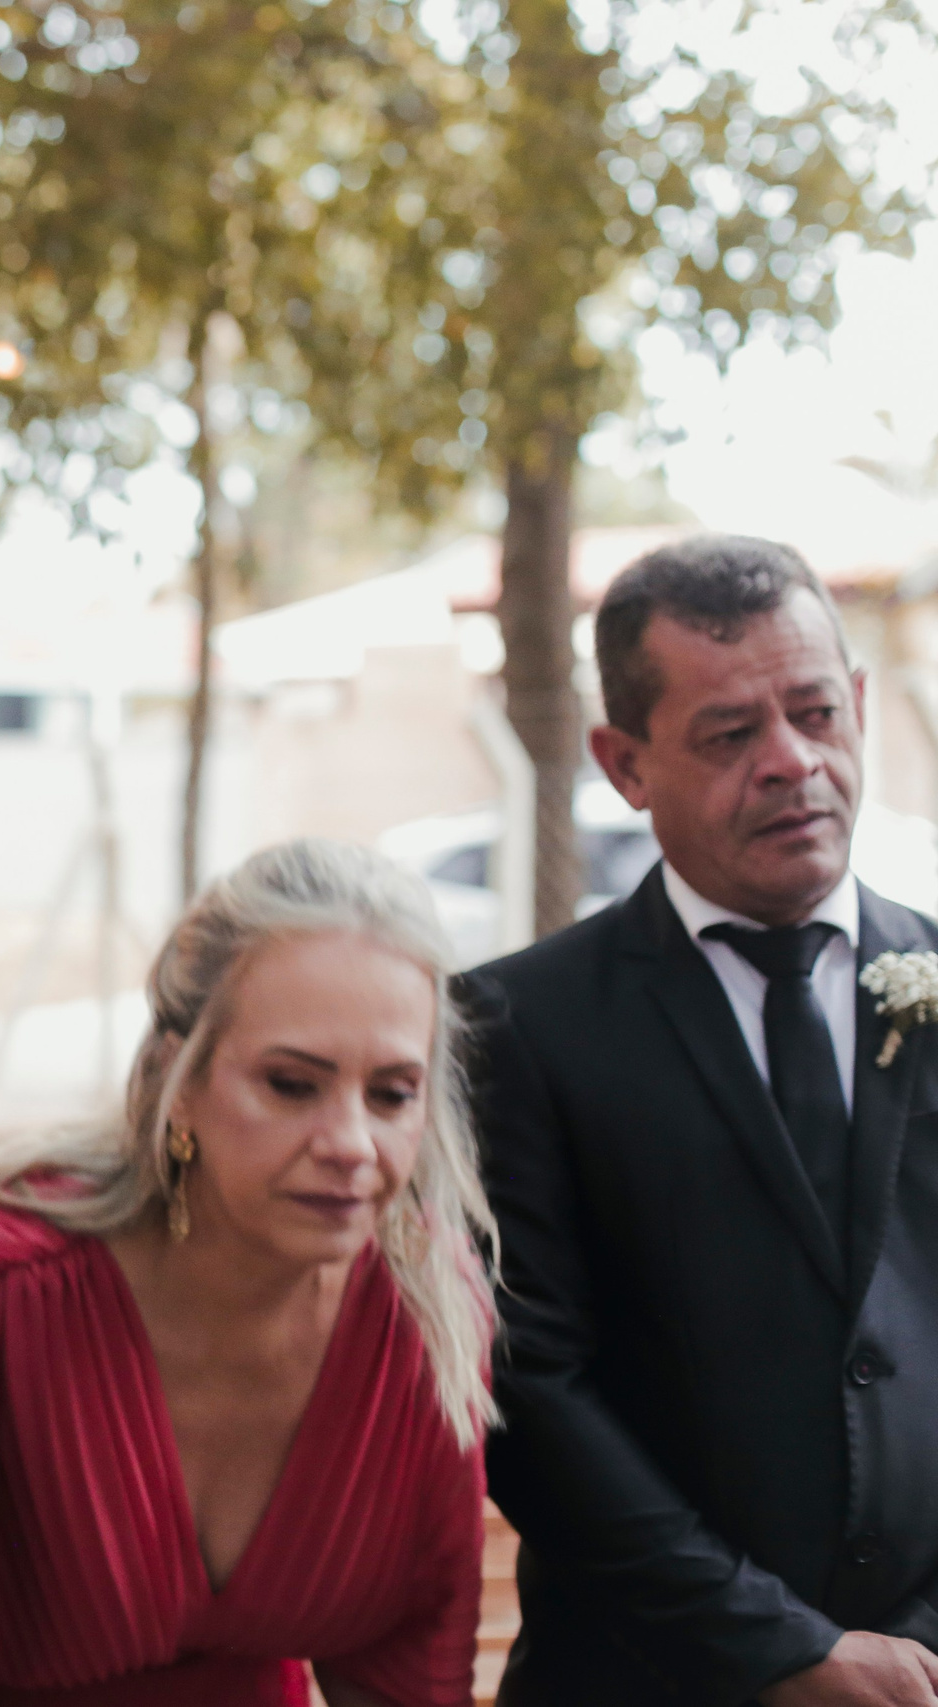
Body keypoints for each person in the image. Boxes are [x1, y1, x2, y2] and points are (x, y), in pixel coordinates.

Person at [469, 536, 938, 1705]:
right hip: (645, 1677)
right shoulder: (512, 1027)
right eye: (731, 735)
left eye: (815, 712)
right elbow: (533, 1395)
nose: (791, 762)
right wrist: (780, 1650)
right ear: (623, 764)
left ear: (861, 706)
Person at [0, 839, 497, 1706]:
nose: (352, 1145)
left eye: (392, 1093)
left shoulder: (424, 1311)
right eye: (291, 1084)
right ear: (179, 1076)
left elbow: (412, 1669)